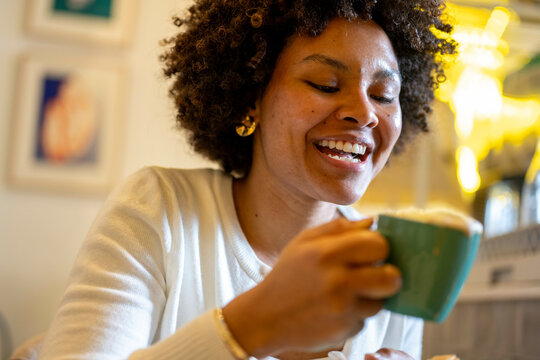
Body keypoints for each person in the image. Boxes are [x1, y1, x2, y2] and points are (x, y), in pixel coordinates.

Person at [36, 0, 455, 359]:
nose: (364, 113)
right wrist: (248, 327)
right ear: (251, 98)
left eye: (383, 95)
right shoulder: (158, 208)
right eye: (325, 84)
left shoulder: (393, 267)